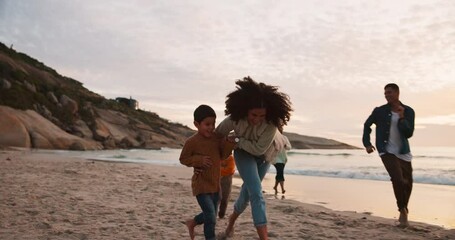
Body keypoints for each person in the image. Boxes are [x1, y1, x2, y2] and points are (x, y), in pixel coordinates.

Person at [215, 76, 292, 240]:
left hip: (264, 156)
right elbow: (217, 135)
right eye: (253, 115)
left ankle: (230, 224)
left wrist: (236, 140)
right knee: (257, 193)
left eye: (261, 116)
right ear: (245, 110)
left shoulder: (272, 124)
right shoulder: (234, 120)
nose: (257, 119)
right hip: (243, 155)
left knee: (247, 194)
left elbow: (259, 149)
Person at [362, 83, 415, 228]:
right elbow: (367, 125)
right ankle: (402, 210)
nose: (387, 95)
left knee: (408, 183)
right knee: (397, 179)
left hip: (403, 151)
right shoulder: (379, 111)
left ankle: (403, 208)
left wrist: (402, 117)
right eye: (385, 93)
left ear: (397, 93)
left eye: (389, 92)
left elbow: (409, 133)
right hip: (386, 150)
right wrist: (367, 143)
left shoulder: (409, 111)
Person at [179, 104, 225, 240]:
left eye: (213, 124)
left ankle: (192, 222)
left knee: (209, 214)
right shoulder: (192, 142)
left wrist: (232, 141)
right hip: (201, 185)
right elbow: (183, 159)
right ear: (196, 124)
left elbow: (224, 154)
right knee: (211, 217)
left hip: (216, 185)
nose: (211, 127)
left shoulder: (216, 138)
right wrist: (198, 160)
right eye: (207, 124)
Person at [218, 154, 235, 219]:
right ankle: (214, 213)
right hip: (216, 179)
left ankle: (221, 215)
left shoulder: (230, 158)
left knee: (225, 199)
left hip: (226, 181)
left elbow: (230, 170)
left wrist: (218, 170)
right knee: (216, 198)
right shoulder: (216, 156)